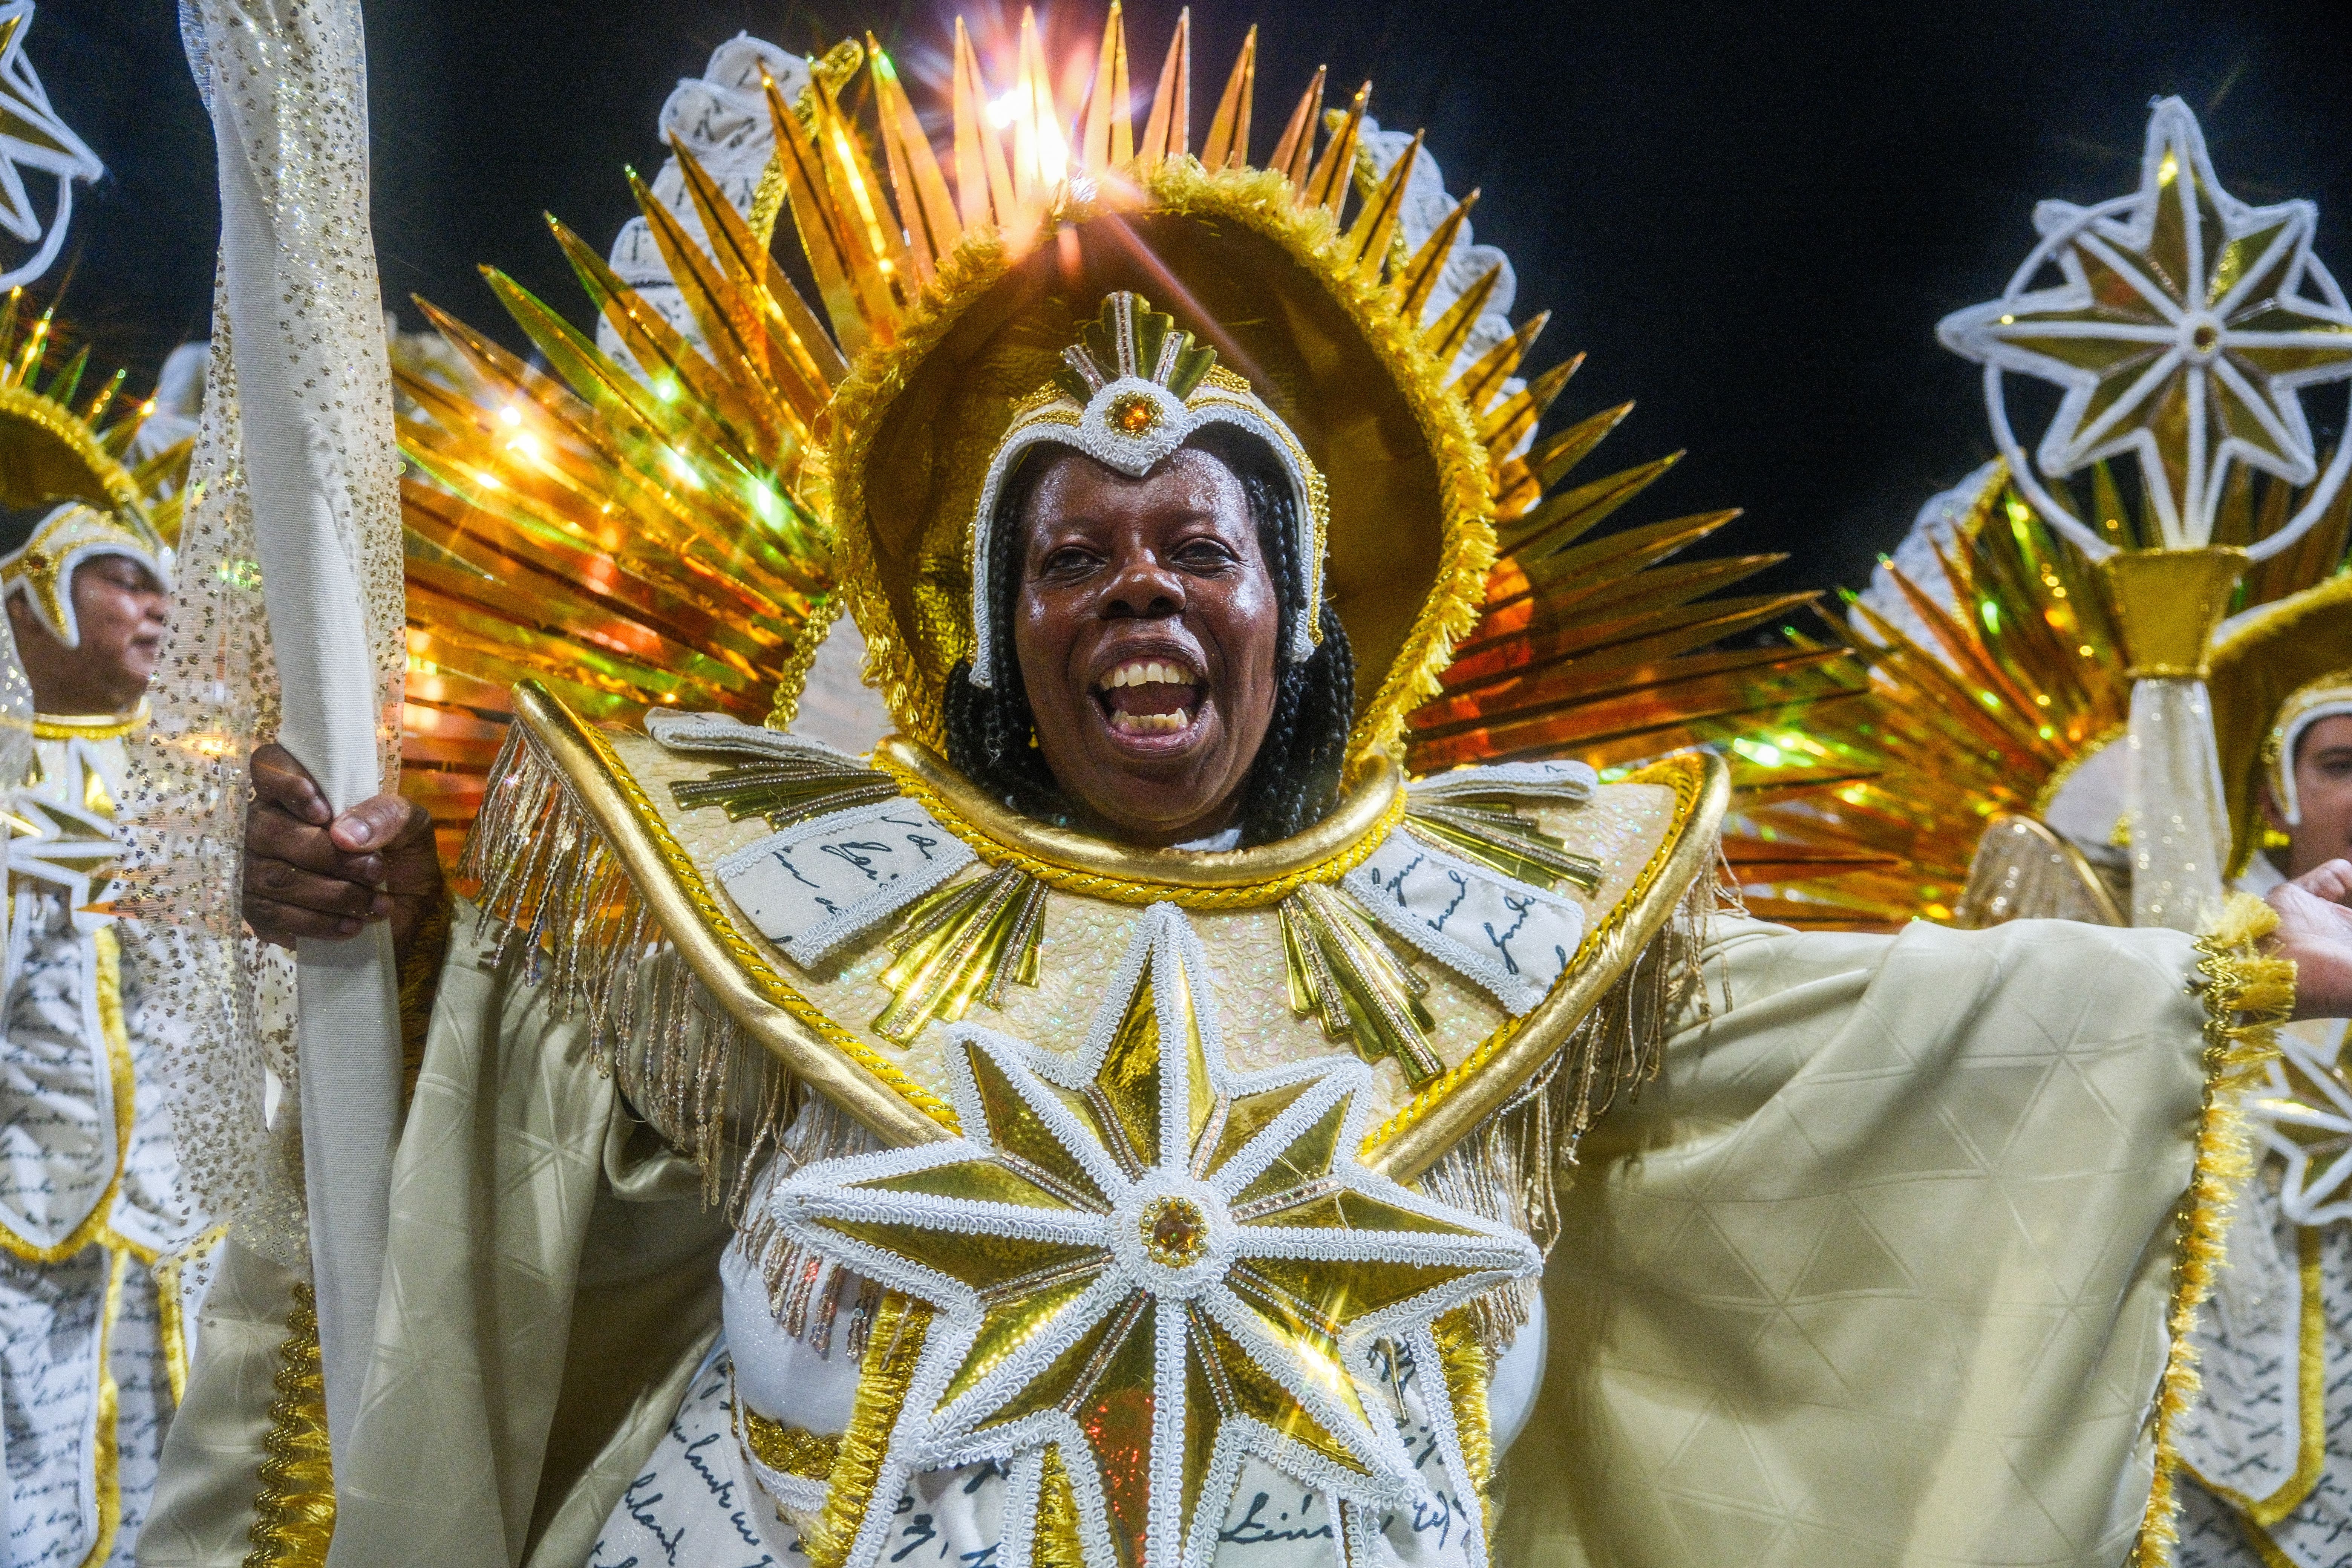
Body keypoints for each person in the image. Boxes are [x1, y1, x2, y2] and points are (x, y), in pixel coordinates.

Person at [142, 18, 2352, 1568]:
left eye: (1197, 548)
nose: (1138, 594)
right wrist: (392, 927)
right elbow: (531, 1177)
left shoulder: (1508, 916)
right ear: (991, 630)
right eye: (1071, 555)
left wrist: (2226, 976)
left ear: (1299, 617)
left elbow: (1877, 1043)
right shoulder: (790, 882)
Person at [0, 313, 209, 1566]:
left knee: (184, 1494)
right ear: (27, 605)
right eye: (121, 576)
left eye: (163, 582)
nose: (155, 602)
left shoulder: (202, 784)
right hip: (28, 1225)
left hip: (190, 1220)